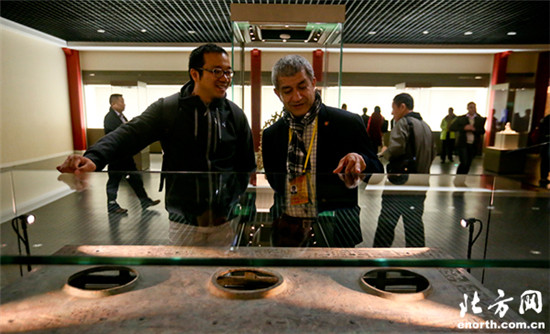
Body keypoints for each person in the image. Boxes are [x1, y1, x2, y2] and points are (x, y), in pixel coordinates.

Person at [57, 44, 256, 230]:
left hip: (224, 219)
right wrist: (93, 157)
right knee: (183, 268)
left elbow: (246, 166)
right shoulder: (168, 109)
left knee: (221, 268)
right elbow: (129, 134)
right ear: (195, 74)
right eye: (216, 71)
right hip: (182, 218)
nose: (225, 78)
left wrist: (233, 203)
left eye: (228, 72)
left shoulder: (235, 115)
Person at [261, 55, 383, 247]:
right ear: (278, 94)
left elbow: (377, 171)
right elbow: (276, 183)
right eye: (288, 90)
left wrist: (361, 159)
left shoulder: (347, 123)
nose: (297, 96)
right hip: (287, 229)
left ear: (313, 83)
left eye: (302, 87)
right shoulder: (271, 134)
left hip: (335, 227)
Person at [374, 93, 435, 247]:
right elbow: (433, 153)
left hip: (400, 184)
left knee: (386, 224)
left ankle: (377, 260)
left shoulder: (403, 124)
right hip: (421, 183)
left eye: (393, 108)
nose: (392, 113)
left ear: (402, 106)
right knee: (414, 225)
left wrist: (382, 154)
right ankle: (416, 262)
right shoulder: (426, 126)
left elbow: (396, 149)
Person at [103, 94, 160, 213]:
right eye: (121, 102)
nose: (124, 104)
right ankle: (112, 205)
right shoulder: (110, 118)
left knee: (135, 178)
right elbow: (117, 134)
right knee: (114, 180)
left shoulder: (121, 116)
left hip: (125, 155)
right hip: (116, 156)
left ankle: (144, 200)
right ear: (113, 104)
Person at [449, 102, 486, 174]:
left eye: (474, 107)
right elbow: (452, 127)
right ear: (468, 108)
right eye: (471, 107)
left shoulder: (480, 119)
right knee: (464, 161)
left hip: (473, 144)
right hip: (463, 143)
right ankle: (459, 176)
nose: (473, 109)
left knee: (469, 162)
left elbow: (482, 131)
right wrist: (464, 128)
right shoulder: (461, 118)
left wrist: (474, 129)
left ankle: (464, 176)